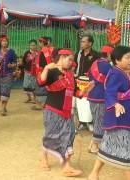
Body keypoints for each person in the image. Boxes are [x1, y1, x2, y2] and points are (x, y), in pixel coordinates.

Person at [88, 46, 130, 180]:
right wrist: (115, 103)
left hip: (125, 118)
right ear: (117, 60)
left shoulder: (123, 73)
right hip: (120, 119)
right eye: (127, 57)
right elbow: (109, 92)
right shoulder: (115, 73)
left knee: (108, 146)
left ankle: (94, 173)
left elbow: (128, 94)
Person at [38, 49, 82, 177]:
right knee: (51, 136)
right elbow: (40, 82)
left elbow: (75, 91)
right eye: (70, 60)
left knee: (68, 136)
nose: (71, 63)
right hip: (53, 111)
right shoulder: (52, 71)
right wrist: (46, 68)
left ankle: (67, 166)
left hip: (67, 111)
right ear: (62, 57)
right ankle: (43, 159)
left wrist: (85, 92)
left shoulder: (69, 74)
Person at [87, 45, 113, 153]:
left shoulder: (94, 63)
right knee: (100, 122)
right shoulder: (107, 66)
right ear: (108, 54)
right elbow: (111, 81)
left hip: (92, 95)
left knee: (96, 120)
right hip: (100, 97)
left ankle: (91, 145)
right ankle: (94, 147)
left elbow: (89, 76)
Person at [74, 34, 100, 131]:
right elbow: (75, 67)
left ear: (90, 43)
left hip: (90, 83)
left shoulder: (96, 55)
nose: (82, 43)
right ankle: (81, 122)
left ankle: (90, 122)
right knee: (79, 103)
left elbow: (98, 69)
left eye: (84, 41)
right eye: (81, 41)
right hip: (79, 82)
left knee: (89, 103)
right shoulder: (78, 54)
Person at [0, 35, 17, 116]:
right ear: (0, 42)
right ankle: (4, 105)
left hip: (8, 74)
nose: (5, 43)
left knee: (6, 90)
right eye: (3, 41)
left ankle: (3, 108)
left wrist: (12, 65)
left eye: (6, 41)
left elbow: (15, 63)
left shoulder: (11, 51)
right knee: (0, 91)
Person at [31, 36, 50, 110]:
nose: (39, 43)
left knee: (41, 88)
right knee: (40, 88)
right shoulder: (43, 50)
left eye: (40, 42)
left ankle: (42, 104)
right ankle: (41, 104)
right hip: (41, 72)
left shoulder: (45, 51)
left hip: (42, 72)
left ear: (42, 42)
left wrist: (42, 71)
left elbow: (46, 62)